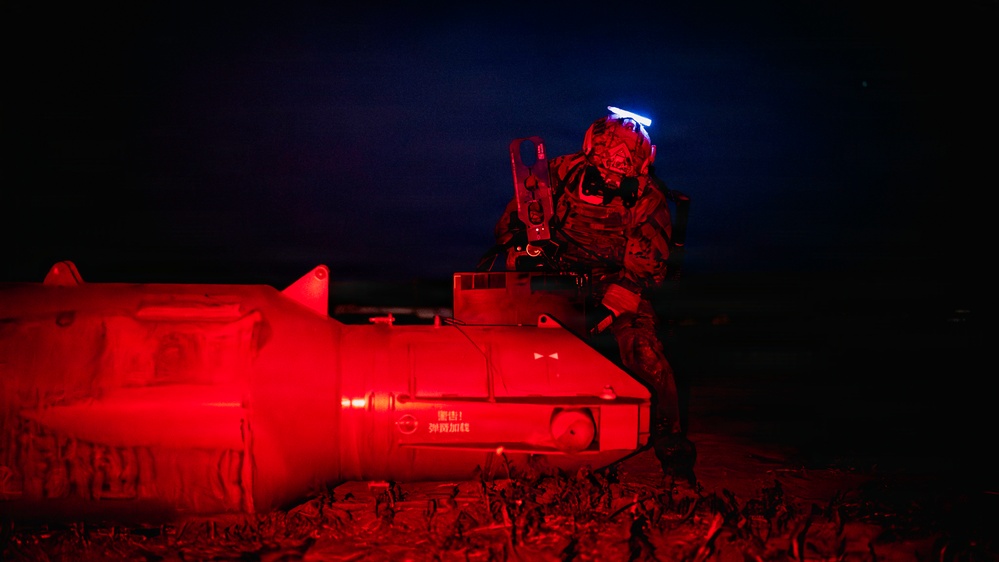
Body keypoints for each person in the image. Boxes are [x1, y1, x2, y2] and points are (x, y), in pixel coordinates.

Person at [484, 109, 696, 483]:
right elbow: (509, 230)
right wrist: (520, 241)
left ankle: (673, 451)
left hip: (615, 282)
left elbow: (641, 274)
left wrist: (604, 311)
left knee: (644, 351)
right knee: (512, 345)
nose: (614, 177)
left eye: (623, 170)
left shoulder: (649, 200)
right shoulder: (554, 176)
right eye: (607, 167)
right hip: (554, 273)